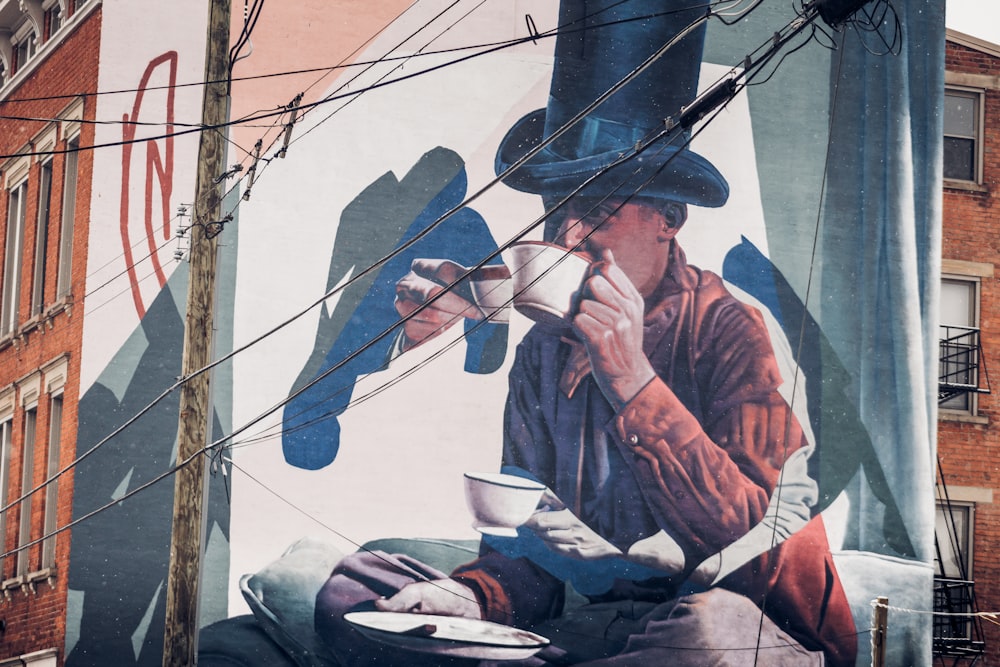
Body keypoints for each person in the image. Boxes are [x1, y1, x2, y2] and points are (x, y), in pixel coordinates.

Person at [316, 1, 858, 664]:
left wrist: (633, 381)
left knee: (704, 636)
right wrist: (475, 597)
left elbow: (746, 530)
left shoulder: (733, 326)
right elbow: (527, 554)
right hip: (609, 631)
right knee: (353, 587)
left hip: (755, 627)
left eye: (597, 208)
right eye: (555, 211)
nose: (567, 236)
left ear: (668, 217)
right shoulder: (544, 353)